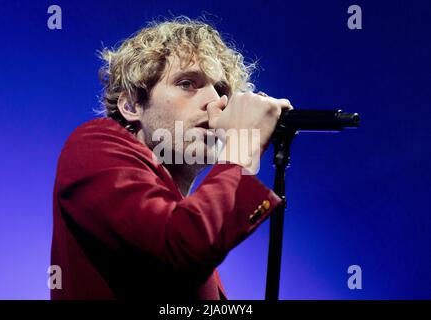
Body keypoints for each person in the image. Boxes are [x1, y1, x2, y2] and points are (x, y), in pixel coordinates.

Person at [51, 16, 293, 300]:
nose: (216, 101)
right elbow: (180, 249)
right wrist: (241, 147)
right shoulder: (92, 144)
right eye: (188, 83)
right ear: (131, 105)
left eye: (222, 90)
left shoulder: (189, 219)